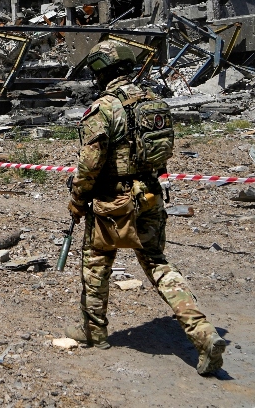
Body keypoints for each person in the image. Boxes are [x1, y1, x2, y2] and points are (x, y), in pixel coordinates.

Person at [65, 40, 227, 376]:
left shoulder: (104, 108)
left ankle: (94, 333)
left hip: (113, 203)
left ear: (101, 71)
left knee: (96, 263)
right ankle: (203, 333)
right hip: (150, 196)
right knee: (157, 264)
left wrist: (78, 200)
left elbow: (89, 165)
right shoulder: (154, 103)